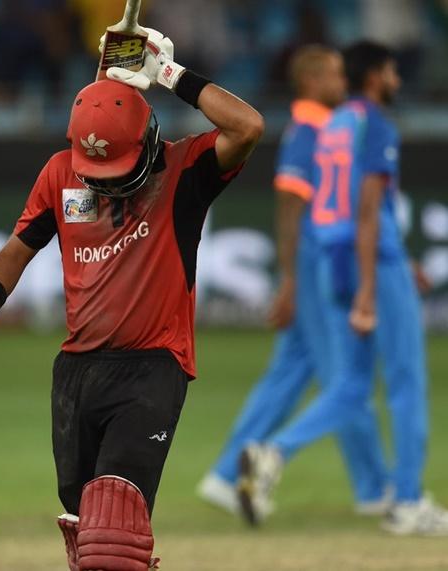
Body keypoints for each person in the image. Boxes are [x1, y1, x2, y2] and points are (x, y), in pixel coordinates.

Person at [0, 28, 263, 570]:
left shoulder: (186, 172)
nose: (105, 184)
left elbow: (248, 126)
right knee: (90, 533)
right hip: (76, 374)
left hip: (153, 367)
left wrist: (170, 76)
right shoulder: (61, 173)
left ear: (149, 142)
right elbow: (18, 248)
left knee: (114, 531)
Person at [238, 41, 448, 536]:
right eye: (393, 71)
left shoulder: (332, 126)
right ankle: (409, 503)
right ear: (375, 76)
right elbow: (369, 208)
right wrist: (374, 286)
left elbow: (338, 202)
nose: (397, 79)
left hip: (333, 259)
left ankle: (272, 452)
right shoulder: (374, 123)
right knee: (407, 384)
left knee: (352, 386)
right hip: (373, 261)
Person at [197, 45, 389, 520]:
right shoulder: (309, 132)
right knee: (348, 378)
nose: (343, 83)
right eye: (334, 75)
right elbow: (289, 207)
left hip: (313, 262)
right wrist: (292, 280)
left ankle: (225, 476)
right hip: (319, 264)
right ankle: (373, 489)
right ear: (310, 82)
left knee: (287, 376)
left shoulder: (323, 128)